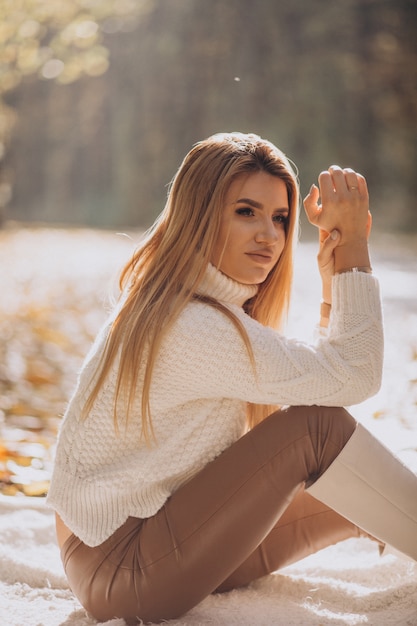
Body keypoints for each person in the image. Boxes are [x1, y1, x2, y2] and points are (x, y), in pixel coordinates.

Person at [47, 132, 417, 625]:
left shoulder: (187, 304)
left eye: (280, 218)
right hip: (127, 568)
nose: (270, 235)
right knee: (317, 431)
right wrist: (352, 250)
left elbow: (328, 378)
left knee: (361, 488)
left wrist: (330, 294)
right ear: (199, 215)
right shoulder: (193, 325)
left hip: (125, 547)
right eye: (246, 212)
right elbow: (353, 376)